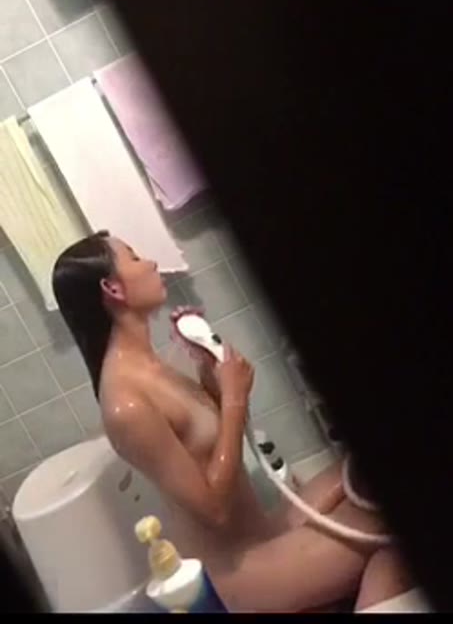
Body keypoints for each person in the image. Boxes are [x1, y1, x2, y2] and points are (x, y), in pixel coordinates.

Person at [52, 232, 414, 612]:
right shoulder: (125, 405)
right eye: (135, 257)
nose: (152, 263)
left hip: (260, 534)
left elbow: (209, 442)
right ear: (113, 288)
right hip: (237, 574)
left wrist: (212, 374)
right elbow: (213, 509)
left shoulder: (151, 367)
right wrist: (235, 398)